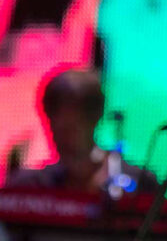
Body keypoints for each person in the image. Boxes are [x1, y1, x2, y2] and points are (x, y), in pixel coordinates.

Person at [5, 69, 157, 195]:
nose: (61, 139)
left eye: (71, 129)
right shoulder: (28, 186)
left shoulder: (139, 183)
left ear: (95, 119)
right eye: (55, 127)